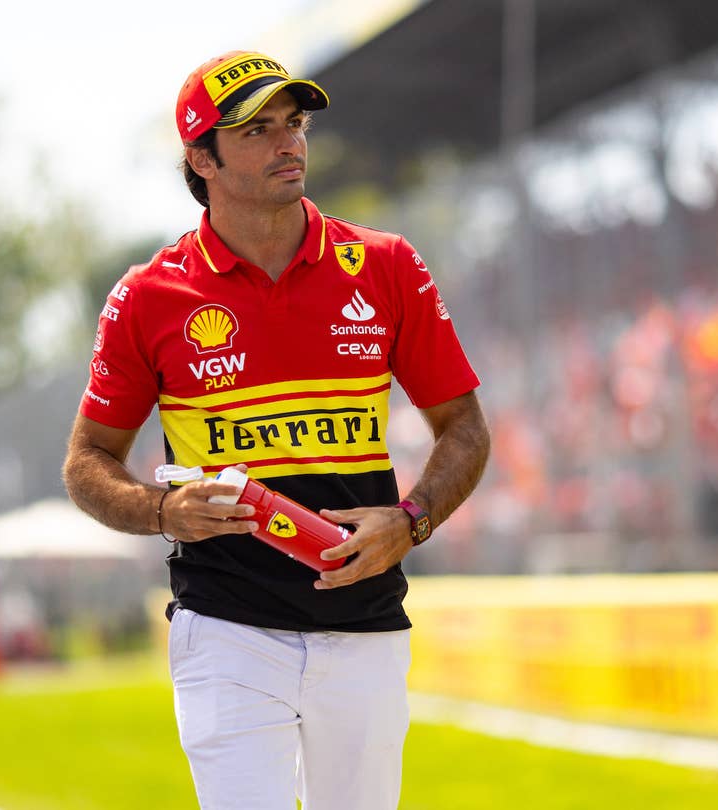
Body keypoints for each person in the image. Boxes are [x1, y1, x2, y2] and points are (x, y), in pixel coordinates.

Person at [62, 50, 490, 810]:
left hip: (366, 625)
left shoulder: (387, 266)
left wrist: (411, 521)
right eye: (257, 131)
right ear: (202, 158)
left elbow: (464, 428)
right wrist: (163, 513)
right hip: (225, 629)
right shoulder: (147, 297)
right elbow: (88, 461)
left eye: (294, 123)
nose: (289, 143)